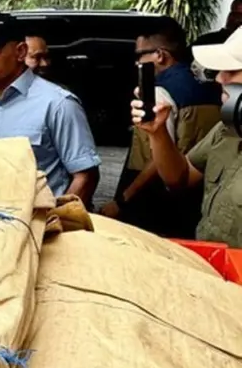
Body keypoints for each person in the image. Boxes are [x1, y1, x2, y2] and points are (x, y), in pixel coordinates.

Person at [0, 12, 101, 203]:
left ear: (20, 52)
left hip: (38, 218)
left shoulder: (58, 103)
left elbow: (85, 176)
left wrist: (58, 217)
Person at [100, 17, 222, 237]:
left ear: (160, 55)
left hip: (158, 200)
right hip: (200, 195)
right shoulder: (211, 87)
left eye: (140, 55)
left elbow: (157, 159)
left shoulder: (159, 93)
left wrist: (123, 200)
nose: (137, 62)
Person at [131, 27, 242, 246]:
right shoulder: (225, 130)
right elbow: (179, 177)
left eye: (231, 70)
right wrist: (158, 132)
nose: (219, 78)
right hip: (209, 260)